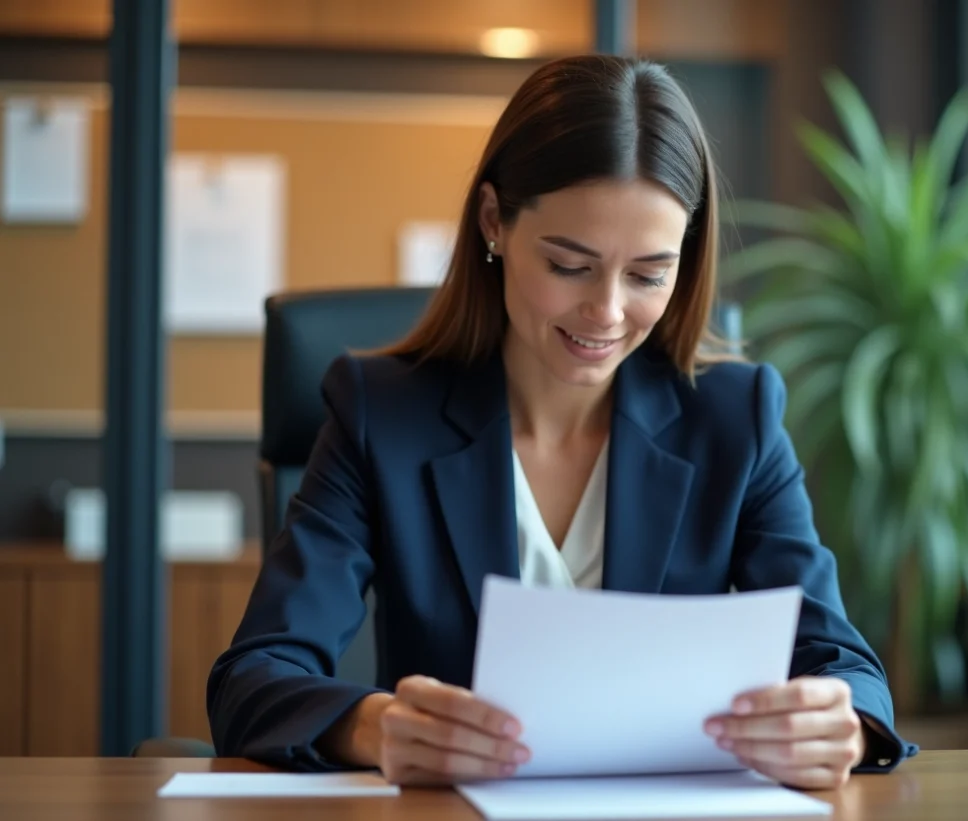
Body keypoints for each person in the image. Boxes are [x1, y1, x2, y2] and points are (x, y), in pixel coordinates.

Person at [207, 54, 915, 789]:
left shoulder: (735, 420)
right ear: (494, 223)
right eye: (570, 264)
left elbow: (847, 667)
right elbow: (255, 676)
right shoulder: (379, 415)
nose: (607, 312)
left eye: (647, 274)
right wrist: (376, 726)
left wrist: (844, 725)